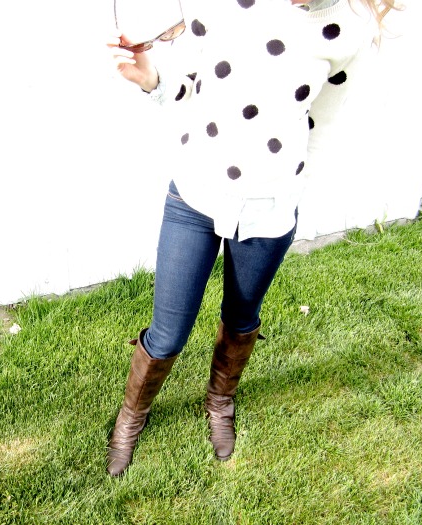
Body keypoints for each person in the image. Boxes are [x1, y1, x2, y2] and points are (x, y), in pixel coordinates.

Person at [105, 0, 400, 477]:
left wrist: (288, 193)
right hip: (195, 194)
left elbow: (321, 126)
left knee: (241, 320)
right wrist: (152, 79)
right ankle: (132, 415)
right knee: (168, 332)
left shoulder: (349, 29)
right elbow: (193, 86)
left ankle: (220, 402)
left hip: (270, 210)